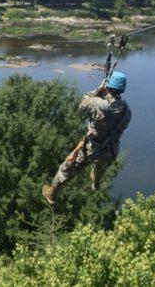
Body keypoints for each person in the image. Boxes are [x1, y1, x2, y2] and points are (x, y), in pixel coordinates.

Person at [42, 71, 131, 205]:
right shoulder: (127, 110)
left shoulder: (97, 103)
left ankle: (52, 193)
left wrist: (98, 90)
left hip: (91, 148)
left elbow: (83, 103)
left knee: (66, 168)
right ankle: (95, 182)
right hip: (110, 151)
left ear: (108, 87)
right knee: (100, 167)